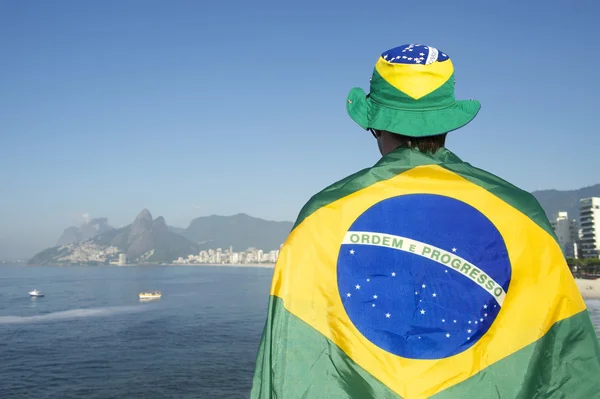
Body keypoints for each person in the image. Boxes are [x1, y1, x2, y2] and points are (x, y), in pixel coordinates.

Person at [250, 44, 600, 399]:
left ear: (375, 126)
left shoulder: (322, 216)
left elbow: (290, 361)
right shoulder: (524, 215)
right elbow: (569, 366)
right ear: (447, 123)